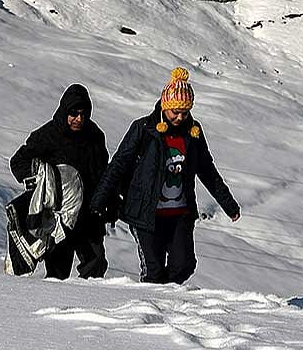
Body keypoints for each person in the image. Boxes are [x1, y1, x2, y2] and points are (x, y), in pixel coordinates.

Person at [90, 68, 240, 284]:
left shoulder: (193, 132)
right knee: (154, 271)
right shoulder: (144, 129)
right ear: (164, 106)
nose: (180, 117)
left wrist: (229, 205)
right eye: (175, 112)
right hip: (146, 214)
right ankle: (151, 300)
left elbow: (207, 170)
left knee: (184, 265)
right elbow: (118, 165)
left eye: (185, 113)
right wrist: (99, 201)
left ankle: (164, 295)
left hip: (180, 214)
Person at [10, 84, 110, 279]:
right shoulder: (48, 135)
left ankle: (86, 298)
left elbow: (103, 173)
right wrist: (40, 181)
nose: (79, 119)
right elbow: (19, 162)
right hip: (59, 217)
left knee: (96, 265)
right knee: (57, 274)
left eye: (83, 114)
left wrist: (109, 203)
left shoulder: (94, 136)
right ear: (65, 111)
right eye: (74, 114)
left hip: (89, 214)